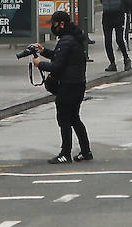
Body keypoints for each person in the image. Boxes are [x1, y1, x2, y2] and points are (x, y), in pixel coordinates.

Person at [30, 11, 92, 163]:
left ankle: (65, 153)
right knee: (75, 118)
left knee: (64, 119)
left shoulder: (66, 40)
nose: (53, 27)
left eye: (54, 24)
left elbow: (57, 66)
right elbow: (61, 56)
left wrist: (40, 63)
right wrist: (43, 51)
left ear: (61, 24)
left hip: (68, 85)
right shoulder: (73, 38)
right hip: (78, 83)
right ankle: (85, 151)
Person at [95, 0, 132, 72]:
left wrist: (124, 8)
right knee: (107, 40)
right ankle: (112, 63)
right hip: (107, 14)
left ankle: (126, 58)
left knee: (119, 39)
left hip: (119, 14)